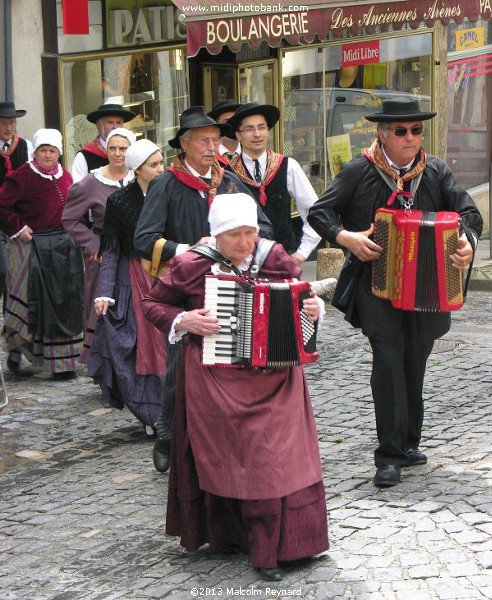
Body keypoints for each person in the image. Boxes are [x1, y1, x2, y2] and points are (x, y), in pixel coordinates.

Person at [142, 193, 328, 581]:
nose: (246, 243)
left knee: (277, 459)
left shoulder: (273, 256)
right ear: (216, 236)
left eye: (250, 232)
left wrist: (312, 308)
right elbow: (153, 304)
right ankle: (237, 538)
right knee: (240, 459)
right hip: (216, 379)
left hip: (277, 377)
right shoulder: (192, 264)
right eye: (235, 236)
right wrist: (185, 320)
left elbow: (301, 296)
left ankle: (283, 545)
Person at [308, 98, 483, 488]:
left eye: (416, 130)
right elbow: (320, 212)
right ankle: (388, 455)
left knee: (415, 361)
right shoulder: (359, 170)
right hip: (378, 287)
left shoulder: (435, 170)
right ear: (382, 134)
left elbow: (469, 214)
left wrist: (467, 241)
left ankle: (408, 443)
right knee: (388, 363)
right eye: (401, 131)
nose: (410, 138)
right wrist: (347, 238)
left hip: (427, 288)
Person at [134, 106, 273, 473]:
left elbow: (265, 226)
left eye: (216, 139)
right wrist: (192, 250)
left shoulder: (229, 181)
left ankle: (224, 437)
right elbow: (145, 239)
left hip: (232, 286)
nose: (213, 147)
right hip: (187, 286)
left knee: (233, 361)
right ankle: (167, 431)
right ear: (184, 144)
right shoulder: (167, 182)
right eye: (204, 141)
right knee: (181, 366)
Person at [87, 140, 167, 435]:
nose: (161, 169)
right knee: (137, 347)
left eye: (162, 163)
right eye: (154, 165)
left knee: (169, 345)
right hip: (135, 278)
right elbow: (111, 249)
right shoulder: (120, 201)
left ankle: (171, 411)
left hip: (169, 274)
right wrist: (105, 290)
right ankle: (151, 414)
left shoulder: (172, 193)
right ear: (137, 169)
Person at [0, 128, 84, 379]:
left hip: (61, 248)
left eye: (52, 151)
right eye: (43, 150)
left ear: (59, 153)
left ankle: (63, 365)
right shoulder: (22, 176)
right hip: (30, 245)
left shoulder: (65, 176)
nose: (48, 155)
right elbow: (2, 205)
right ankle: (16, 350)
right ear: (35, 152)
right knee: (28, 299)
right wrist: (18, 227)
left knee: (62, 303)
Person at [63, 127, 136, 363]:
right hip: (103, 255)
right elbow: (70, 219)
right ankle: (103, 363)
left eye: (122, 148)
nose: (117, 153)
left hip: (134, 254)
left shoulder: (141, 177)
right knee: (102, 307)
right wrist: (95, 246)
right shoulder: (91, 182)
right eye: (112, 148)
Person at [227, 102, 321, 266]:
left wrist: (302, 253)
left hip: (283, 262)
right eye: (249, 129)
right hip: (241, 265)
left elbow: (314, 211)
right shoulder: (227, 173)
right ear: (238, 135)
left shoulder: (287, 166)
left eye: (261, 127)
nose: (257, 134)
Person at [0, 102, 33, 305]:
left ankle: (13, 315)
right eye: (3, 123)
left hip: (17, 217)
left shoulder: (25, 146)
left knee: (20, 269)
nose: (8, 128)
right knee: (3, 267)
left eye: (11, 123)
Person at [71, 103, 135, 183]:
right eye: (110, 122)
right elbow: (78, 191)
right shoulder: (85, 156)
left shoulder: (132, 152)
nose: (115, 127)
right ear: (98, 125)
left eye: (118, 122)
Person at [207, 99, 241, 164]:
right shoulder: (208, 156)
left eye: (235, 121)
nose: (232, 126)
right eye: (226, 122)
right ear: (217, 127)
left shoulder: (250, 153)